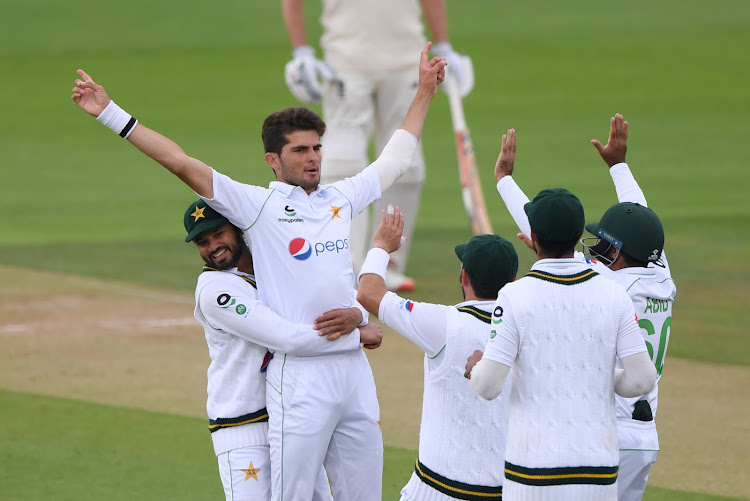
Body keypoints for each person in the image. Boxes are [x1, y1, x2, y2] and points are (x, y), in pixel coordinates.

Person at [71, 44, 445, 501]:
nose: (313, 158)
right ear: (273, 160)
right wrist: (109, 112)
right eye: (300, 150)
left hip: (354, 374)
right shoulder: (255, 205)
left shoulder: (339, 198)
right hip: (300, 377)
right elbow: (179, 162)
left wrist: (425, 90)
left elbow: (396, 159)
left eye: (317, 148)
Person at [493, 115, 676, 501]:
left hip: (610, 430)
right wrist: (619, 165)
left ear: (620, 252)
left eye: (607, 244)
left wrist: (505, 182)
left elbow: (551, 231)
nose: (599, 249)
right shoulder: (660, 273)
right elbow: (640, 213)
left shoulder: (609, 285)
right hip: (645, 436)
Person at [466, 185, 657, 501]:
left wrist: (476, 369)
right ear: (577, 235)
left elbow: (488, 387)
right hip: (599, 475)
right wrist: (599, 377)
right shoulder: (614, 295)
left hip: (533, 475)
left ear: (534, 237)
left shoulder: (513, 296)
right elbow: (642, 379)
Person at [184, 199, 383, 500]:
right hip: (243, 426)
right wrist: (354, 336)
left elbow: (329, 287)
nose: (213, 246)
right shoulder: (215, 291)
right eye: (203, 242)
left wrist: (357, 313)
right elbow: (286, 338)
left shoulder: (272, 260)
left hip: (293, 416)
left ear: (237, 228)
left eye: (218, 234)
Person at [282, 0, 474, 291]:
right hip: (346, 60)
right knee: (343, 160)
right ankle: (344, 261)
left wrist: (444, 46)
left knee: (407, 164)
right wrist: (301, 52)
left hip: (406, 60)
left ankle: (386, 262)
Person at [356, 205, 517, 500]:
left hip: (436, 491)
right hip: (505, 493)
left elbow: (368, 292)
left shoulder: (444, 324)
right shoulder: (530, 331)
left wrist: (381, 247)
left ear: (464, 275)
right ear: (512, 282)